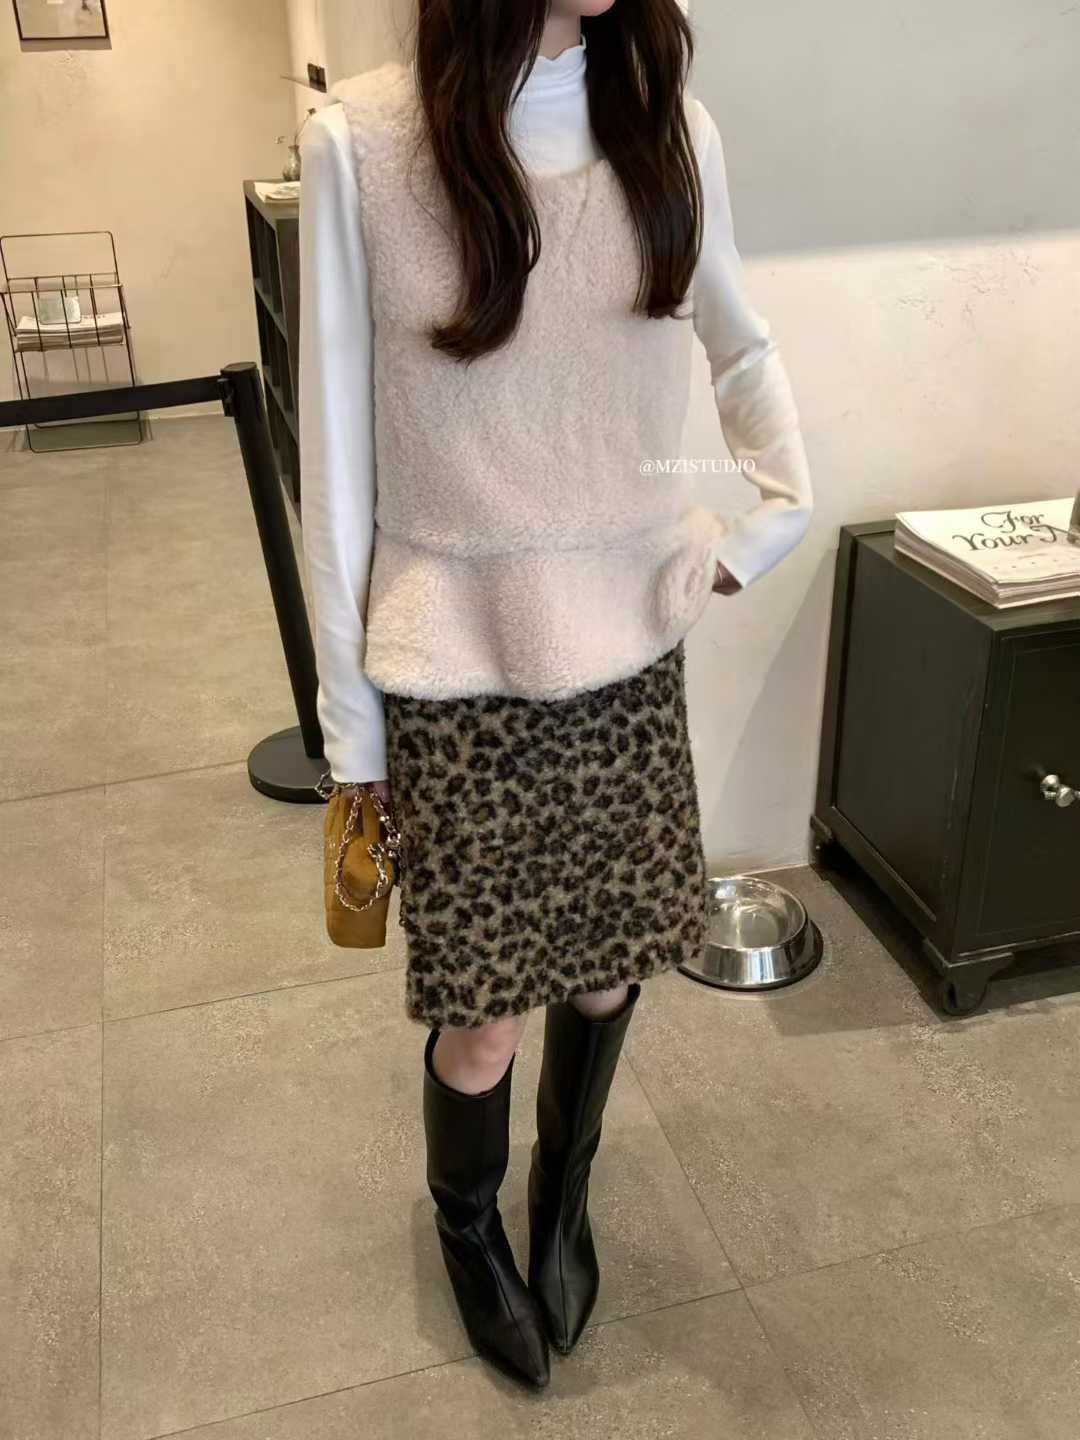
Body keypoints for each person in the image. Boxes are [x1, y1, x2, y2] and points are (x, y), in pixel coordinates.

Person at [297, 0, 813, 1393]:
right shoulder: (363, 146)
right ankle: (469, 1231)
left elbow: (741, 346)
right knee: (483, 1015)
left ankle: (562, 1189)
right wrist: (353, 735)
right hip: (455, 663)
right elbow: (335, 469)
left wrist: (768, 524)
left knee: (606, 972)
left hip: (626, 658)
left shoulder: (670, 134)